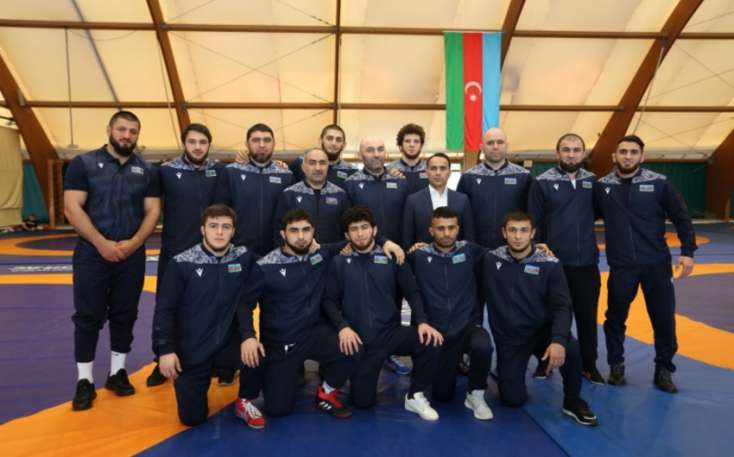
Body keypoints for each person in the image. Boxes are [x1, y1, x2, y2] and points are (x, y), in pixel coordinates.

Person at [63, 110, 161, 411]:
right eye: (122, 129)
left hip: (131, 256)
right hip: (92, 254)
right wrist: (101, 243)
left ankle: (117, 373)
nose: (127, 136)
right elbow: (72, 208)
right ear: (109, 130)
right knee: (88, 316)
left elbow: (153, 211)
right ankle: (84, 380)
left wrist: (134, 243)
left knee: (125, 313)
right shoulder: (83, 164)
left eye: (133, 131)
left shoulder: (147, 170)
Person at [595, 134, 696, 393]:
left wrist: (688, 251)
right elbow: (582, 217)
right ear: (614, 156)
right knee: (615, 317)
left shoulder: (659, 183)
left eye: (633, 152)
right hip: (621, 266)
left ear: (642, 156)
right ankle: (616, 365)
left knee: (663, 319)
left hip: (656, 264)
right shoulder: (602, 186)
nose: (627, 156)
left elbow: (681, 217)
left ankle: (664, 369)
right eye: (623, 151)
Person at [323, 206, 444, 421]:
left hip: (390, 333)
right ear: (347, 235)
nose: (360, 233)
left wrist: (422, 322)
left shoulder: (392, 256)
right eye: (354, 229)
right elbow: (329, 301)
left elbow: (412, 291)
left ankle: (415, 395)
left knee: (430, 341)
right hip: (359, 341)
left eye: (364, 227)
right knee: (363, 402)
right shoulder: (339, 262)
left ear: (375, 230)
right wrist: (343, 327)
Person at [481, 211, 598, 426]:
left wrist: (558, 340)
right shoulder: (491, 258)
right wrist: (421, 247)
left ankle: (573, 400)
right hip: (511, 338)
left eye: (523, 230)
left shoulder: (549, 263)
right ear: (504, 233)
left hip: (542, 332)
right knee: (512, 399)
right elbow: (455, 249)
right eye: (512, 230)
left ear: (533, 233)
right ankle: (510, 373)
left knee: (571, 348)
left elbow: (562, 306)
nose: (518, 236)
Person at [154, 204, 261, 427]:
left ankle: (245, 399)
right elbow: (165, 310)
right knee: (191, 419)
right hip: (192, 349)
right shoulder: (182, 263)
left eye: (226, 227)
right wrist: (165, 350)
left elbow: (278, 260)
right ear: (203, 230)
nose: (219, 232)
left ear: (233, 231)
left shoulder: (243, 257)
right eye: (213, 226)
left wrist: (249, 336)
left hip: (227, 344)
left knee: (257, 353)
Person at [148, 123, 229, 387]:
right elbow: (150, 205)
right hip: (175, 252)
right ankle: (161, 357)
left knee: (210, 304)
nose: (197, 147)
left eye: (202, 142)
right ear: (184, 143)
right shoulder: (166, 171)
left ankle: (215, 357)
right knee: (167, 304)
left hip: (211, 252)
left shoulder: (219, 170)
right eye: (192, 142)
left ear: (209, 145)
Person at [527, 133, 603, 383]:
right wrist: (540, 255)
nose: (571, 154)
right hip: (553, 265)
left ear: (583, 153)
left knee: (587, 317)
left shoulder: (592, 181)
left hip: (586, 264)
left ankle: (589, 364)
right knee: (548, 317)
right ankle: (545, 362)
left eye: (576, 150)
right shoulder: (542, 182)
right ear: (557, 153)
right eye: (566, 150)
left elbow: (599, 213)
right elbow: (533, 222)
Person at [407, 207, 493, 420]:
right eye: (441, 228)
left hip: (466, 327)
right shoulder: (418, 255)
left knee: (483, 345)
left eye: (451, 227)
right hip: (436, 333)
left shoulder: (471, 250)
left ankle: (475, 394)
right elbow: (394, 266)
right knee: (443, 396)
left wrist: (537, 249)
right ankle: (446, 368)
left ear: (458, 229)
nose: (446, 233)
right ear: (431, 231)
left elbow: (506, 255)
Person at [215, 123, 293, 255]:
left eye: (267, 140)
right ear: (247, 144)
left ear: (274, 144)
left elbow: (291, 216)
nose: (262, 145)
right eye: (256, 140)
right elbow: (220, 212)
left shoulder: (286, 175)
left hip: (276, 252)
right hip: (237, 250)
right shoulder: (231, 172)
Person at [457, 128, 533, 249]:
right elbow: (460, 216)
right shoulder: (468, 177)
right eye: (490, 143)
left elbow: (532, 213)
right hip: (476, 248)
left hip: (514, 248)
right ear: (482, 147)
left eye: (500, 142)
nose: (495, 147)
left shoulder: (524, 176)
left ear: (507, 145)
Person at [272, 148, 351, 244]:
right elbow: (279, 229)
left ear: (328, 167)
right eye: (312, 163)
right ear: (303, 167)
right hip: (299, 252)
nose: (318, 168)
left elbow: (348, 228)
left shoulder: (341, 195)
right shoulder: (289, 194)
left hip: (333, 252)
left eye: (322, 163)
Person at [343, 138, 410, 246]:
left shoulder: (400, 181)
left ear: (386, 153)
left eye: (380, 149)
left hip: (399, 249)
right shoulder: (350, 184)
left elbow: (409, 220)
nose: (376, 154)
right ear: (360, 155)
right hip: (365, 250)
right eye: (370, 150)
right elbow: (347, 223)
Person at [402, 153, 474, 248]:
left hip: (456, 256)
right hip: (423, 256)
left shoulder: (462, 200)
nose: (438, 173)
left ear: (449, 173)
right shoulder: (413, 200)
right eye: (433, 168)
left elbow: (469, 237)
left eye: (442, 168)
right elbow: (407, 239)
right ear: (426, 172)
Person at [289, 124, 358, 189]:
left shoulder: (352, 171)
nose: (334, 143)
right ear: (320, 141)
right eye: (329, 138)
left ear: (344, 145)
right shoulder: (300, 163)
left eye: (338, 140)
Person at [387, 123, 429, 194]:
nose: (412, 145)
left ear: (421, 146)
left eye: (416, 141)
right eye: (407, 141)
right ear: (400, 146)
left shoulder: (430, 168)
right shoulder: (389, 170)